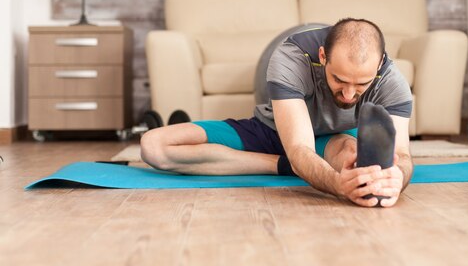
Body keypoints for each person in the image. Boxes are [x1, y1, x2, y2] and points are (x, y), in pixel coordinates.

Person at [141, 18, 414, 207]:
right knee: (154, 146)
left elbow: (401, 156)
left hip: (333, 139)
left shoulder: (392, 82)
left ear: (378, 66)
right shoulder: (290, 57)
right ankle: (282, 165)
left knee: (352, 158)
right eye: (339, 80)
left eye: (361, 85)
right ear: (322, 56)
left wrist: (395, 180)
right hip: (271, 131)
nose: (349, 94)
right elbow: (298, 148)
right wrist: (337, 185)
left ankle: (295, 166)